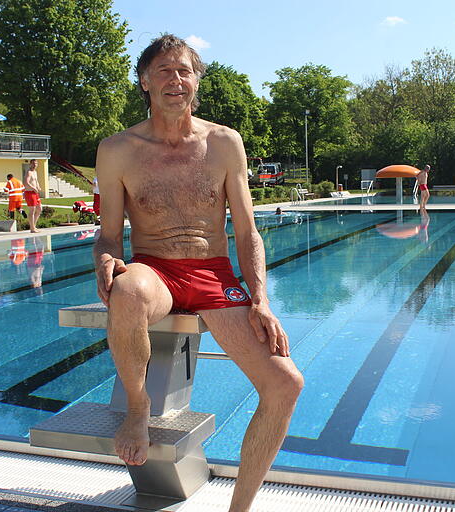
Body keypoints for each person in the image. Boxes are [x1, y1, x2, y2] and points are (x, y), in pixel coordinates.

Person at [93, 34, 303, 512]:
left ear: (197, 82)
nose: (176, 79)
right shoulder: (118, 149)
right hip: (155, 269)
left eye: (185, 71)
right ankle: (138, 407)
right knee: (127, 290)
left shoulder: (224, 143)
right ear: (144, 81)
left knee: (286, 384)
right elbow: (108, 235)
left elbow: (248, 232)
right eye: (164, 70)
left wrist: (261, 300)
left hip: (213, 272)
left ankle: (240, 508)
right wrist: (107, 259)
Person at [23, 160, 42, 233]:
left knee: (39, 209)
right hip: (29, 193)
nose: (35, 165)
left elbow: (36, 181)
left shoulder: (35, 172)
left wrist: (38, 186)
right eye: (33, 163)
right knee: (32, 210)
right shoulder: (29, 172)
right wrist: (33, 188)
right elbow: (26, 182)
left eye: (36, 163)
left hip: (35, 193)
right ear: (30, 164)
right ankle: (32, 228)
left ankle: (33, 226)